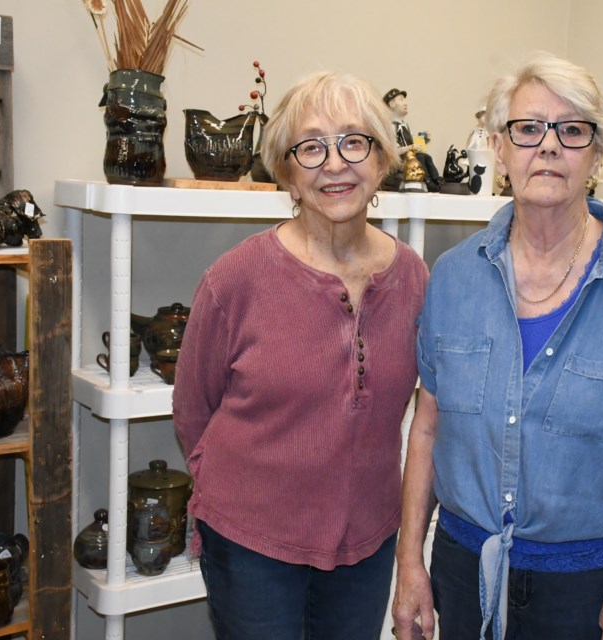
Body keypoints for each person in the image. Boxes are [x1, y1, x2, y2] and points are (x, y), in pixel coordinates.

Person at [392, 53, 603, 640]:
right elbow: (426, 428)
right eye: (528, 129)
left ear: (596, 156)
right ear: (499, 149)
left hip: (588, 588)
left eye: (573, 131)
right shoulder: (451, 276)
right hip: (463, 571)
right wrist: (410, 561)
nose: (548, 147)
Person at [172, 71, 429, 640]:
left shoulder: (413, 276)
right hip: (252, 546)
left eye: (354, 141)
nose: (334, 164)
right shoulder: (236, 278)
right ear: (286, 174)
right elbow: (193, 409)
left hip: (366, 542)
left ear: (382, 162)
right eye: (311, 147)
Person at [383, 88, 442, 191]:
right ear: (392, 104)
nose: (405, 103)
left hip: (409, 158)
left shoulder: (405, 126)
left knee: (426, 157)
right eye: (401, 100)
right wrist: (410, 147)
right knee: (421, 157)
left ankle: (436, 180)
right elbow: (393, 151)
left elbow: (409, 141)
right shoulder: (390, 127)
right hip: (399, 163)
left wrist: (423, 140)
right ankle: (427, 181)